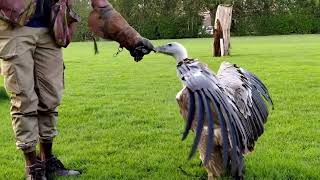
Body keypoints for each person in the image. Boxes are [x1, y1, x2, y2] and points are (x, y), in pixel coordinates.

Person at [0, 0, 154, 179]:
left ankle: (48, 161)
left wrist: (130, 37)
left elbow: (101, 5)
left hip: (51, 28)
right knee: (23, 98)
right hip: (14, 27)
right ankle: (33, 167)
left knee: (51, 98)